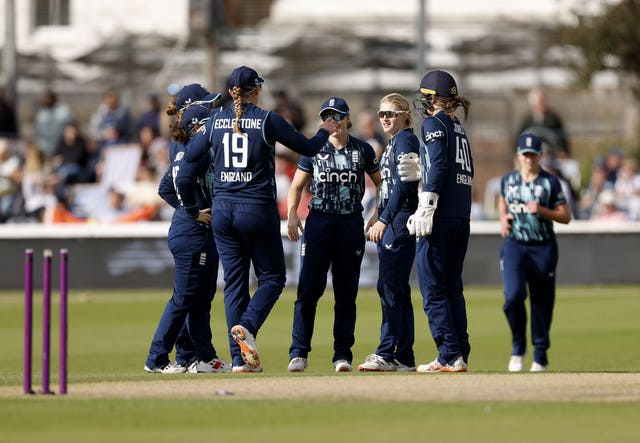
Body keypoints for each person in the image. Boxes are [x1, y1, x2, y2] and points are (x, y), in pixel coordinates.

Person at [183, 66, 338, 373]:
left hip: (223, 210)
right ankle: (248, 327)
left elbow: (190, 158)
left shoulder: (214, 121)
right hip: (256, 208)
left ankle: (240, 361)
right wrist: (325, 129)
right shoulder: (269, 120)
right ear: (256, 91)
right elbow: (308, 148)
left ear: (230, 93)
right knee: (273, 278)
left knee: (235, 284)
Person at [286, 97, 381, 373]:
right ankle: (299, 352)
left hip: (350, 224)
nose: (333, 122)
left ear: (347, 119)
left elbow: (380, 184)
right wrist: (293, 213)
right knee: (308, 290)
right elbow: (296, 187)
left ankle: (342, 355)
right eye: (328, 116)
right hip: (319, 223)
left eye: (338, 116)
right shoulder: (314, 149)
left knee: (346, 293)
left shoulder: (362, 150)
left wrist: (377, 214)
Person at [144, 85, 230, 373]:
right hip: (193, 231)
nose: (214, 112)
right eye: (208, 107)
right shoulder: (196, 145)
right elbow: (177, 184)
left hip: (192, 229)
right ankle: (156, 358)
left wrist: (186, 209)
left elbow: (165, 187)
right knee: (185, 298)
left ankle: (195, 357)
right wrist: (193, 212)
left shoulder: (177, 144)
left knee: (197, 298)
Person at [397, 69, 473, 372]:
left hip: (440, 215)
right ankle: (459, 353)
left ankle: (448, 354)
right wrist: (423, 172)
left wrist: (426, 204)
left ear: (431, 98)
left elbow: (440, 164)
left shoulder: (433, 122)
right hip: (460, 215)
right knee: (452, 286)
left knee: (432, 287)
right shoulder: (458, 127)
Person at [498, 133, 571, 372]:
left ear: (540, 156)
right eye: (525, 155)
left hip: (543, 246)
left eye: (533, 155)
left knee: (542, 302)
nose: (529, 159)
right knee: (512, 297)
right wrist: (502, 218)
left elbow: (565, 216)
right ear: (519, 156)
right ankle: (518, 345)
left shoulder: (550, 183)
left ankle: (540, 353)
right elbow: (502, 200)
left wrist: (541, 210)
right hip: (515, 245)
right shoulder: (508, 180)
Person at [357, 93, 419, 372]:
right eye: (381, 114)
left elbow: (405, 185)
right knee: (395, 289)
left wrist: (385, 219)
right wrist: (377, 215)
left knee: (390, 287)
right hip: (392, 219)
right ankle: (404, 355)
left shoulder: (405, 140)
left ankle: (387, 352)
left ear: (405, 115)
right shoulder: (394, 142)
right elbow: (388, 185)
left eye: (390, 113)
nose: (384, 118)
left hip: (400, 222)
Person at [516, 87, 570, 157]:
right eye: (539, 102)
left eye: (542, 101)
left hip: (551, 155)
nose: (541, 104)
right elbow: (520, 137)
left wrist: (563, 151)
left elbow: (561, 135)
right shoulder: (527, 120)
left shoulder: (553, 118)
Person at [33, 90, 74, 158]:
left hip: (61, 147)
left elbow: (71, 126)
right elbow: (36, 130)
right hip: (44, 147)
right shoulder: (41, 112)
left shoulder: (63, 110)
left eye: (47, 98)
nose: (45, 100)